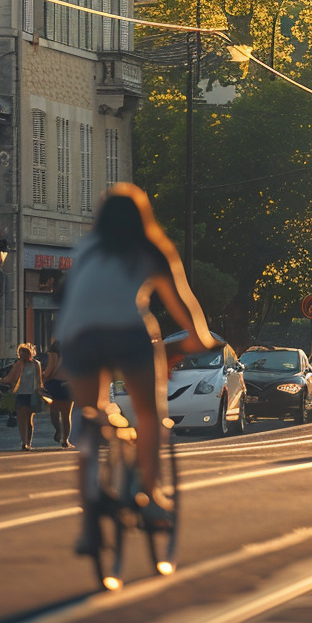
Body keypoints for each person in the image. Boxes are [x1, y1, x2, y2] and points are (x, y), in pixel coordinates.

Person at [56, 183, 214, 549]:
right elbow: (189, 315)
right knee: (149, 414)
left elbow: (68, 297)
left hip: (77, 337)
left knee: (89, 416)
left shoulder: (87, 248)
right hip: (128, 334)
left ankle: (89, 524)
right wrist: (190, 345)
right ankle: (151, 498)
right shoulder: (150, 248)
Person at [1, 343, 47, 450]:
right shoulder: (18, 365)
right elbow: (11, 377)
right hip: (20, 393)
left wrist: (40, 392)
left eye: (24, 354)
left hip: (31, 394)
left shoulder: (36, 364)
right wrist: (3, 381)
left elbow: (39, 380)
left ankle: (28, 441)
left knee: (28, 419)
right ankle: (24, 442)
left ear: (29, 354)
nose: (21, 356)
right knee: (21, 419)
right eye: (20, 354)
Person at [43, 339, 74, 448]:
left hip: (56, 383)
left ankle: (58, 430)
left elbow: (51, 368)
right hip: (69, 383)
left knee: (54, 412)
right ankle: (65, 440)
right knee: (67, 415)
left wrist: (44, 376)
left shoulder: (54, 351)